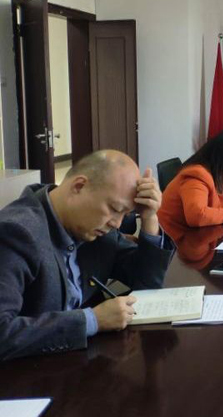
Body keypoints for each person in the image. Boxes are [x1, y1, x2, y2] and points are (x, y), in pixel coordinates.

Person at [0, 150, 173, 361]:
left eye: (125, 214)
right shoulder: (16, 232)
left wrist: (150, 218)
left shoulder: (97, 231)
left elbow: (147, 283)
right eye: (114, 208)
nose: (117, 223)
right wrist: (92, 320)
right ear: (79, 186)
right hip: (30, 374)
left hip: (81, 362)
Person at [158, 128, 223, 236]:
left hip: (191, 235)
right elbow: (197, 216)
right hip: (173, 241)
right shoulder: (196, 176)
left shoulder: (214, 173)